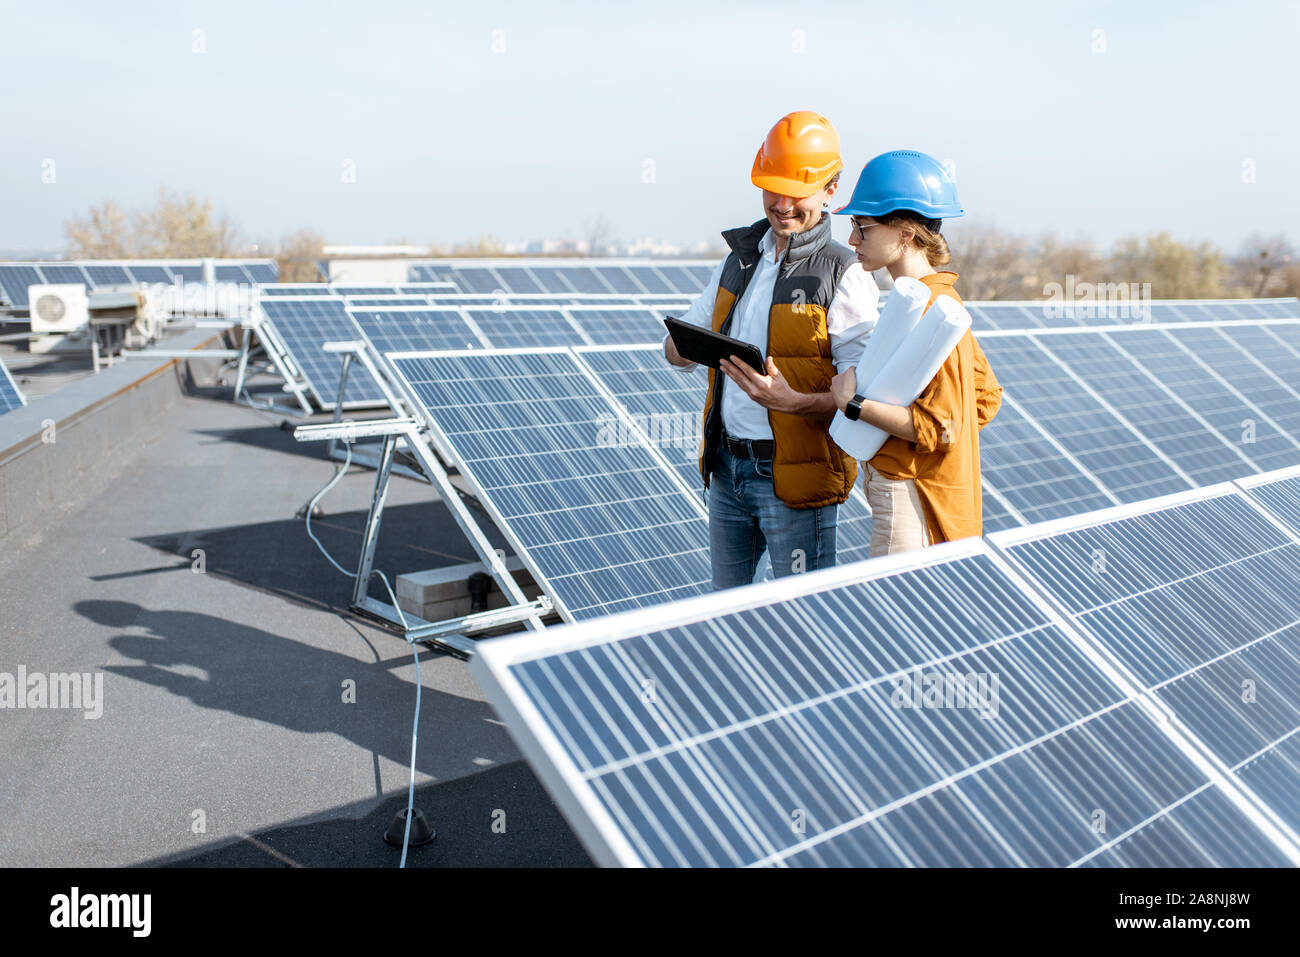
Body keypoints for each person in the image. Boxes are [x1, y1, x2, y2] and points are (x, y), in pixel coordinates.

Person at [664, 111, 881, 589]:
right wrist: (680, 349)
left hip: (794, 478)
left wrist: (793, 403)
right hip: (726, 469)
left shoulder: (845, 273)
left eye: (796, 191)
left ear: (830, 189)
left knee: (804, 620)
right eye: (772, 188)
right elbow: (682, 341)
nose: (781, 204)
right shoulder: (740, 258)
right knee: (725, 613)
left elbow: (864, 394)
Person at [828, 150, 1003, 556]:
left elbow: (941, 428)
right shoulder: (938, 301)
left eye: (862, 226)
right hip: (918, 495)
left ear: (906, 232)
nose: (852, 239)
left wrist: (853, 405)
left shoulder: (931, 311)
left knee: (893, 618)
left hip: (912, 504)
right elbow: (984, 399)